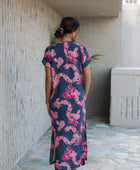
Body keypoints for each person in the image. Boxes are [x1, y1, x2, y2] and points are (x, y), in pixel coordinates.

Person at [41, 16, 92, 170]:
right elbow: (88, 77)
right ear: (75, 32)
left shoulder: (50, 51)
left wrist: (47, 100)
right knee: (75, 136)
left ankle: (61, 166)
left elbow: (48, 80)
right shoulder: (81, 50)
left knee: (60, 135)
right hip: (77, 102)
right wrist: (84, 96)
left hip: (57, 101)